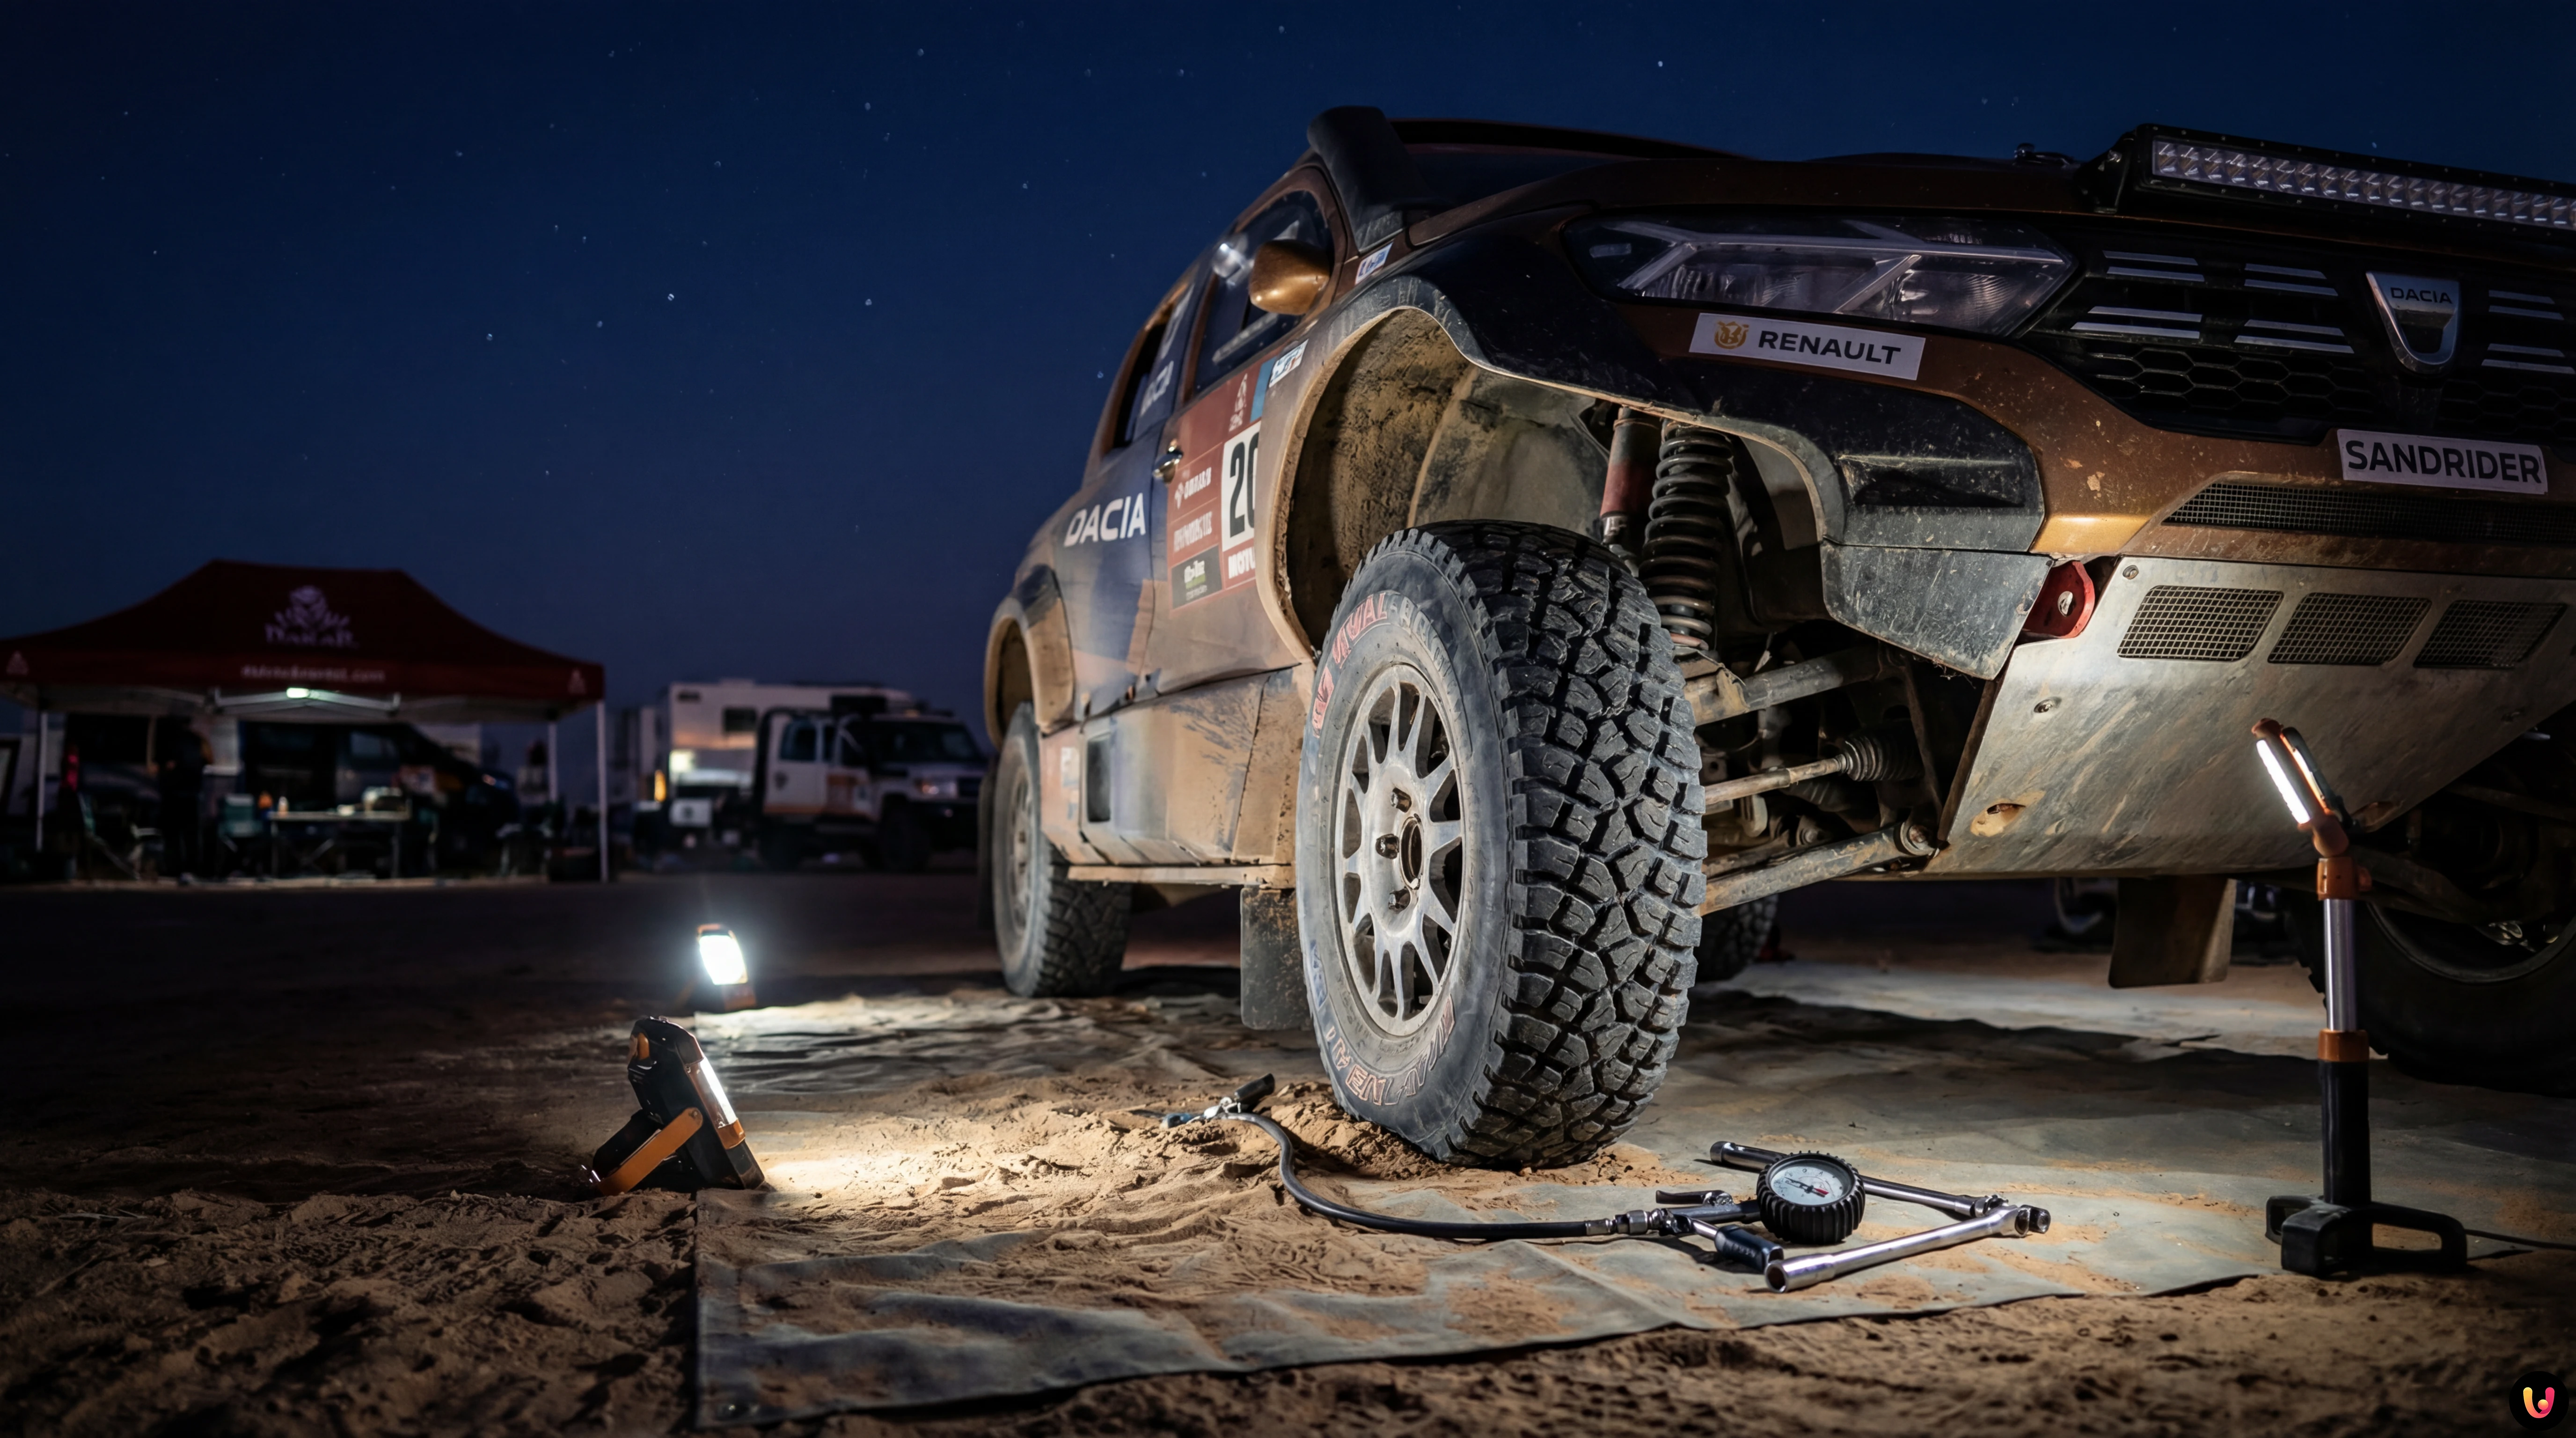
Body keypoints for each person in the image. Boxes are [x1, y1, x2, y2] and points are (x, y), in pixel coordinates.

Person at [157, 723, 207, 878]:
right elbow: (208, 760)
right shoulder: (197, 742)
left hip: (176, 796)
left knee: (174, 835)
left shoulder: (172, 743)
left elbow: (164, 768)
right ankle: (191, 869)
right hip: (190, 796)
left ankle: (175, 869)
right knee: (190, 835)